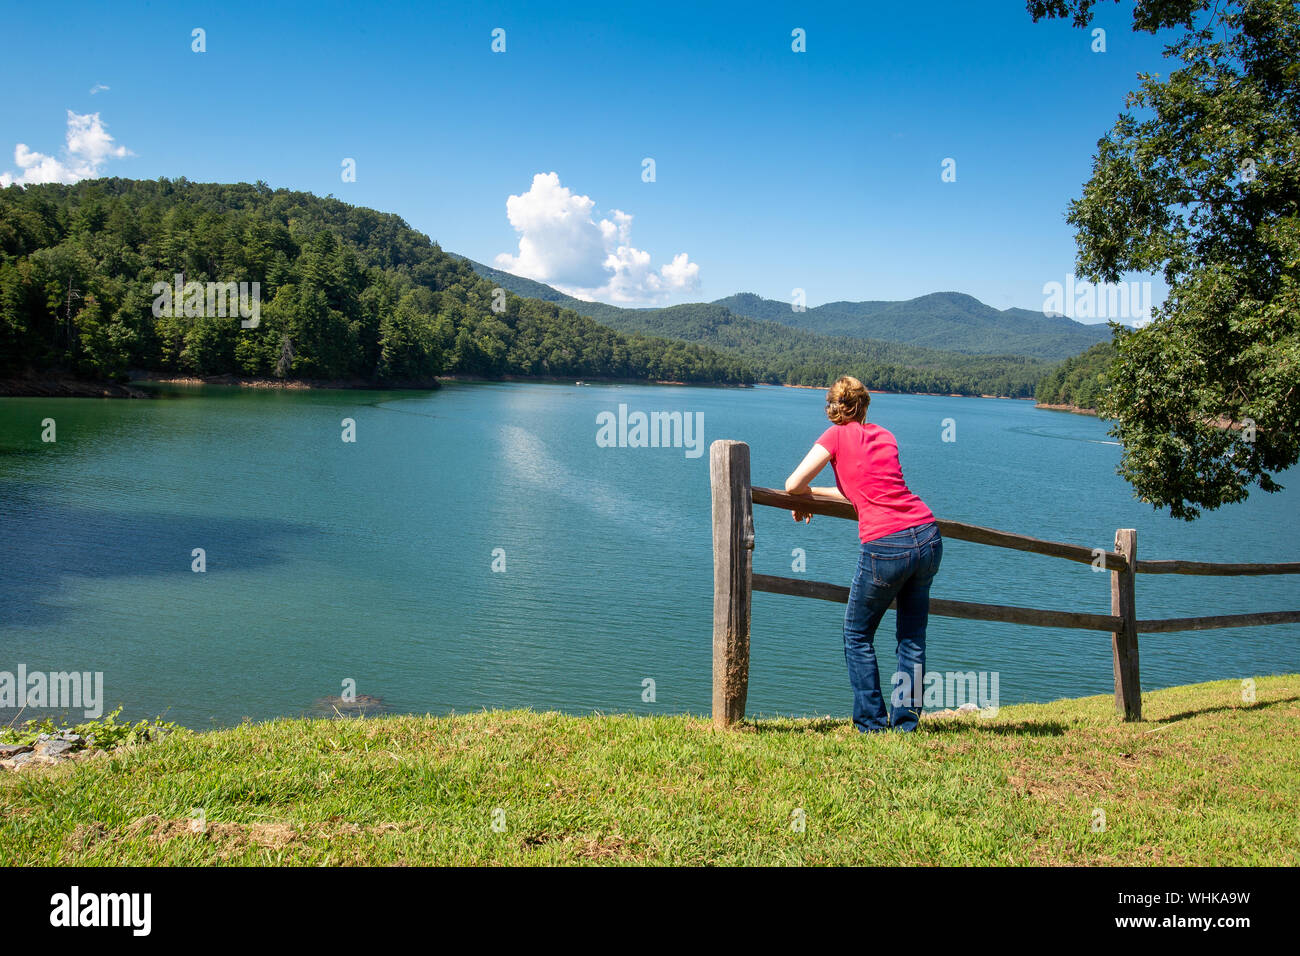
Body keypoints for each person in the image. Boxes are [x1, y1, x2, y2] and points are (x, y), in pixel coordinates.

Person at [784, 376, 942, 733]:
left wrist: (802, 496)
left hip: (886, 545)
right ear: (865, 405)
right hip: (928, 534)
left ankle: (871, 723)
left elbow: (792, 484)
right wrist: (816, 497)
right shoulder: (885, 436)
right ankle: (906, 724)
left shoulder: (835, 436)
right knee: (912, 636)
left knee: (856, 634)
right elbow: (863, 490)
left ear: (833, 409)